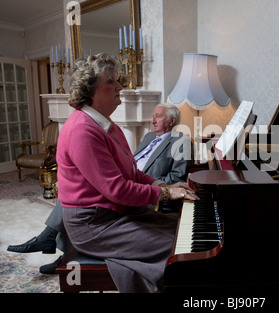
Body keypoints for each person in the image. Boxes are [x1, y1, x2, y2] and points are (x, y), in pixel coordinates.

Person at [51, 53, 199, 292]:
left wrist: (164, 185)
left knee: (181, 231)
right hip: (94, 225)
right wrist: (165, 194)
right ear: (91, 89)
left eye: (116, 80)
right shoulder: (82, 130)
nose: (119, 86)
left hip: (116, 214)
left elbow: (133, 172)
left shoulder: (108, 126)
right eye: (111, 81)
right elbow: (117, 189)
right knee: (181, 246)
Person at [7, 103, 193, 275]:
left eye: (158, 116)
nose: (153, 120)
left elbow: (176, 177)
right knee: (80, 196)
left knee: (79, 200)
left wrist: (159, 187)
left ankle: (56, 246)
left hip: (141, 188)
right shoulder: (148, 136)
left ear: (172, 121)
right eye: (153, 116)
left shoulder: (181, 141)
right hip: (126, 184)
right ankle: (64, 255)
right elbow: (130, 166)